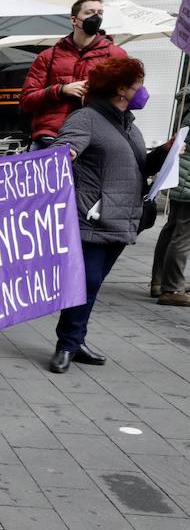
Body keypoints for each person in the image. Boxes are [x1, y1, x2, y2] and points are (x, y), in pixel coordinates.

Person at [50, 57, 174, 373]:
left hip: (121, 219)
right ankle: (67, 344)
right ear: (121, 89)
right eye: (138, 85)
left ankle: (75, 341)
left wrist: (164, 152)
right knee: (86, 282)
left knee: (92, 284)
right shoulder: (86, 118)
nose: (142, 91)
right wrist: (68, 153)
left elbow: (138, 166)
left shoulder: (127, 124)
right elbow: (64, 150)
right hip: (92, 218)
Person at [21, 0, 129, 149]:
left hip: (92, 139)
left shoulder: (115, 55)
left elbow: (128, 98)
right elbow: (27, 101)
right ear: (74, 20)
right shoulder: (48, 56)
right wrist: (61, 90)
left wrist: (96, 95)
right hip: (49, 138)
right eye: (89, 12)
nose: (96, 17)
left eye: (100, 13)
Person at [151, 129, 190, 306]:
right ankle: (172, 288)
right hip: (186, 181)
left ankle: (159, 282)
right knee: (183, 235)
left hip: (181, 178)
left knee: (172, 229)